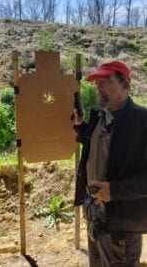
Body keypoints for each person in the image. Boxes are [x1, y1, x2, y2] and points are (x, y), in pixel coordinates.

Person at [73, 61, 147, 267]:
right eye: (97, 83)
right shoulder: (101, 116)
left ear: (125, 86)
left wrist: (115, 191)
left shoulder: (141, 120)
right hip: (94, 214)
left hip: (120, 225)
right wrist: (81, 129)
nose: (98, 87)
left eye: (105, 81)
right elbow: (102, 144)